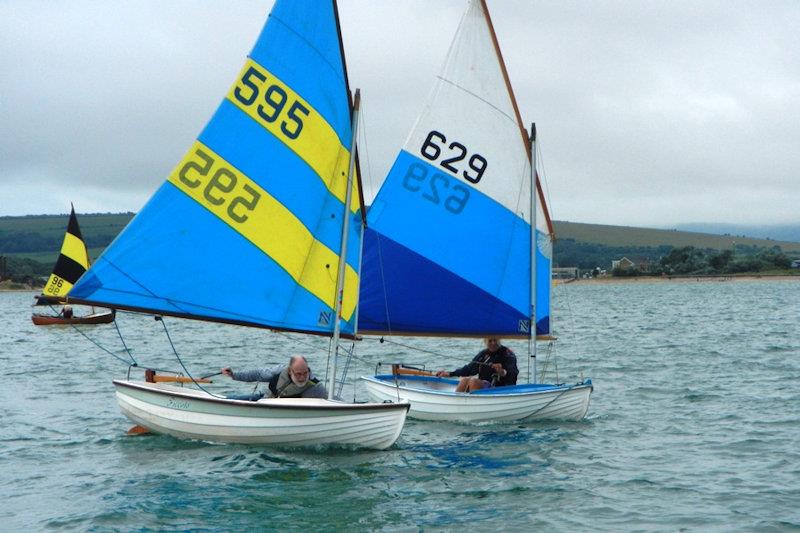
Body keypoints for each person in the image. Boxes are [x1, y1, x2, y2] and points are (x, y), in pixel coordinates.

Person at [221, 355, 328, 400]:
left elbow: (331, 399)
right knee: (232, 399)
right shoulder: (280, 371)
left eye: (305, 373)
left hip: (285, 412)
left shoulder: (315, 386)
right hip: (265, 399)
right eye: (298, 374)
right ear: (290, 371)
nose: (302, 377)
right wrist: (233, 375)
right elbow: (257, 374)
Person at [435, 338, 518, 392]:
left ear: (499, 340)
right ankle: (456, 406)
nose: (493, 343)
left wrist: (501, 372)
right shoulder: (483, 354)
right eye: (490, 341)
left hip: (503, 389)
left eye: (495, 340)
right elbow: (469, 369)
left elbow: (513, 373)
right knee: (464, 380)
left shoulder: (507, 354)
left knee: (473, 381)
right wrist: (449, 374)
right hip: (485, 387)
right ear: (485, 341)